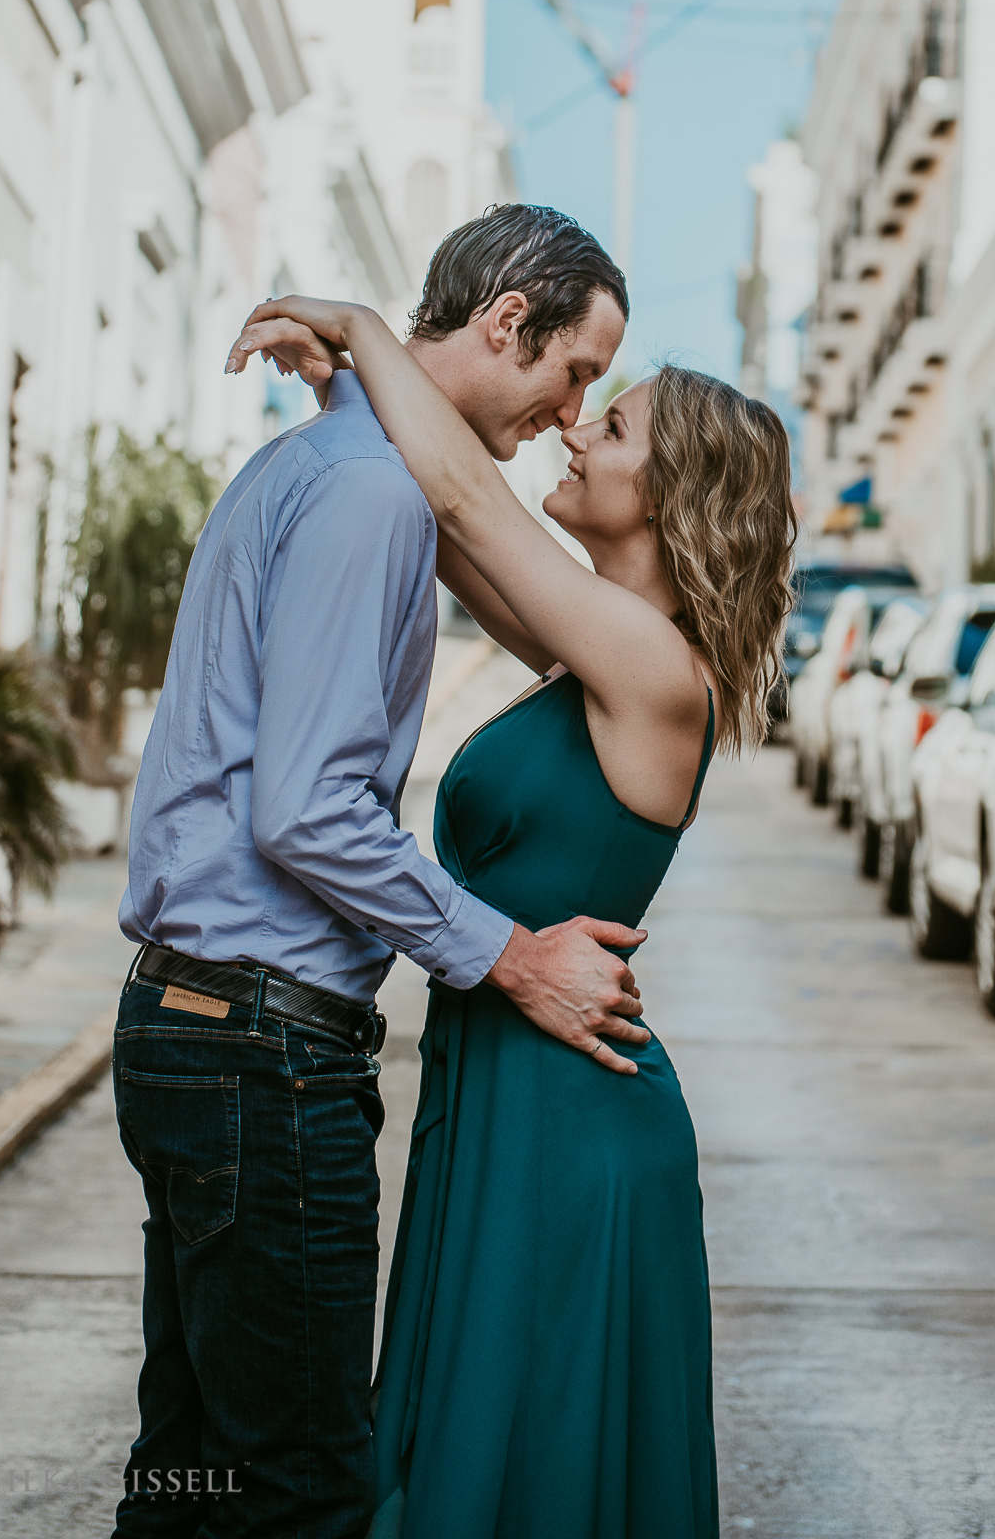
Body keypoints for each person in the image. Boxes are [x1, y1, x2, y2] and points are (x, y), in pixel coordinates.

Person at [111, 205, 642, 1539]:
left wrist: (358, 355)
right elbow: (307, 812)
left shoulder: (327, 462)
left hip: (196, 1027)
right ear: (505, 321)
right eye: (576, 371)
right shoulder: (372, 495)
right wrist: (508, 955)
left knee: (190, 1471)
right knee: (301, 1487)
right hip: (257, 1053)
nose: (571, 413)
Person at [236, 291, 797, 1539]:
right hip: (497, 1092)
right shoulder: (588, 650)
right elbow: (436, 524)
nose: (576, 431)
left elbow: (462, 503)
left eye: (616, 427)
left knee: (523, 1463)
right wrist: (347, 383)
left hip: (568, 1125)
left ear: (670, 493)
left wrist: (360, 323)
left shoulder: (650, 665)